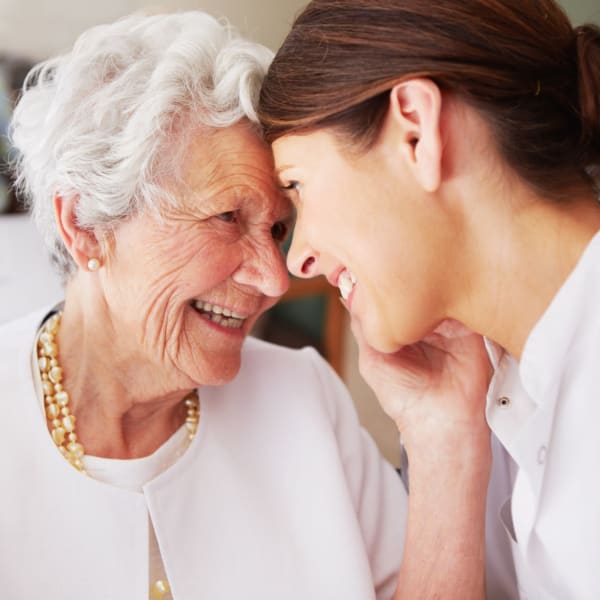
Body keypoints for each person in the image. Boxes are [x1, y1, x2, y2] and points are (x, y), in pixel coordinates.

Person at [1, 12, 409, 599]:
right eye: (226, 218)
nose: (274, 279)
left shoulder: (307, 398)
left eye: (277, 230)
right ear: (85, 225)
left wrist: (442, 436)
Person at [258, 0, 600, 598]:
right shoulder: (500, 400)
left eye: (299, 188)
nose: (296, 259)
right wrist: (445, 441)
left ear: (416, 129)